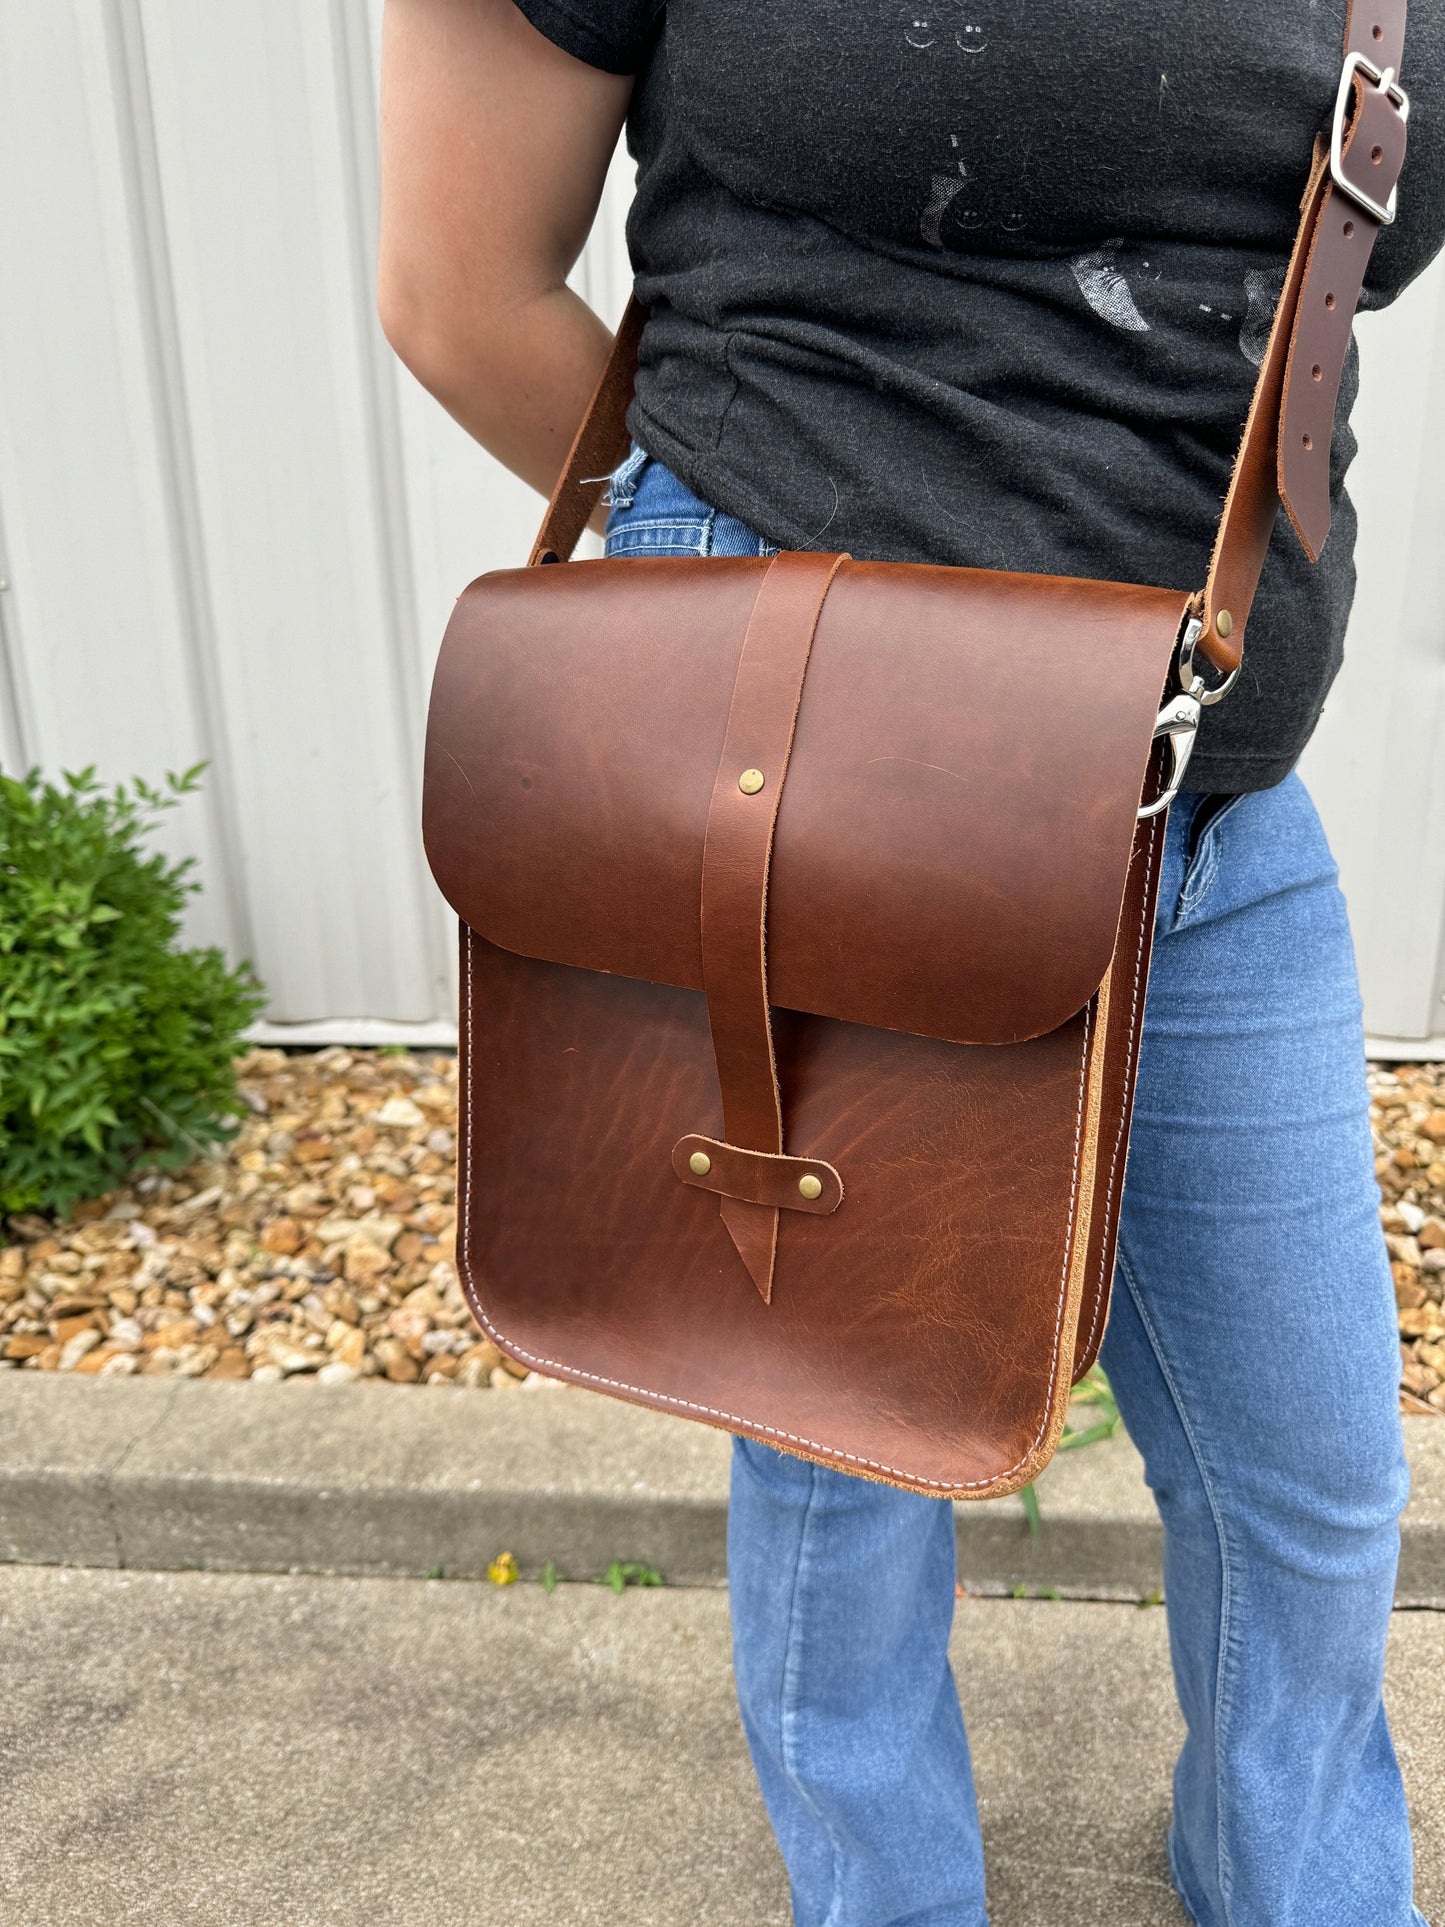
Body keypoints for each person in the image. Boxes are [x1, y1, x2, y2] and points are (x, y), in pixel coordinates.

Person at [377, 4, 1445, 1921]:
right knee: (844, 1426)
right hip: (822, 765)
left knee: (1310, 1475)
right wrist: (794, 640)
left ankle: (1293, 1884)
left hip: (1197, 780)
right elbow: (458, 291)